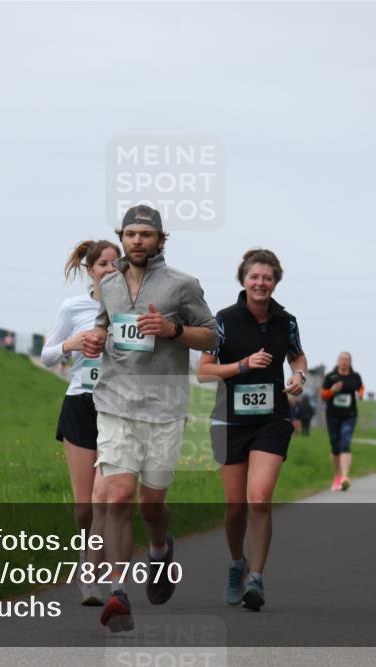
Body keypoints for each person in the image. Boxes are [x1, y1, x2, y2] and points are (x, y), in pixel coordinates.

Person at [82, 204, 218, 632]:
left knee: (151, 505)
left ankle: (159, 548)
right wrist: (96, 337)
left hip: (163, 408)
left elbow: (215, 334)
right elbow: (105, 325)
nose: (137, 241)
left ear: (160, 239)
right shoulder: (108, 283)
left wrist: (173, 331)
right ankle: (119, 594)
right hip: (115, 403)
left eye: (146, 234)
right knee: (119, 496)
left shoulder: (182, 285)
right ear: (121, 238)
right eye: (130, 234)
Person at [197, 248, 307, 612]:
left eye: (267, 277)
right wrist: (242, 365)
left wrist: (299, 375)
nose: (261, 283)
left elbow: (297, 355)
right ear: (243, 280)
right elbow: (205, 370)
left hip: (271, 420)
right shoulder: (223, 320)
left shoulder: (286, 321)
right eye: (254, 277)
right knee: (235, 507)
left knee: (258, 498)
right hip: (229, 420)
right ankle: (235, 564)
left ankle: (256, 578)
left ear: (276, 281)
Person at [41, 239, 120, 605]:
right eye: (103, 264)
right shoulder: (72, 307)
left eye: (114, 264)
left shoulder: (129, 309)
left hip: (117, 408)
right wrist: (71, 344)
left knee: (102, 498)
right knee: (85, 506)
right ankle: (85, 558)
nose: (109, 269)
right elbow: (46, 355)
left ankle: (90, 576)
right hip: (79, 404)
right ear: (90, 270)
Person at [320, 352, 364, 491]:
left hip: (349, 415)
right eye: (342, 359)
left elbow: (360, 387)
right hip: (332, 415)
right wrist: (332, 390)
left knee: (345, 442)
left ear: (350, 362)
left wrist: (361, 393)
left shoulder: (355, 377)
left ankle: (345, 477)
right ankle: (337, 476)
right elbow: (323, 395)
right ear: (338, 361)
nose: (344, 362)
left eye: (347, 359)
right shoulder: (331, 377)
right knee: (335, 446)